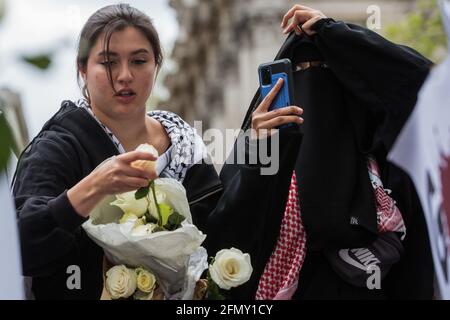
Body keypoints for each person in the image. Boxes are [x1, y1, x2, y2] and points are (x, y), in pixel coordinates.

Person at [12, 4, 302, 300]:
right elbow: (18, 246)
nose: (124, 76)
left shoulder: (184, 144)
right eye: (109, 63)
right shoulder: (57, 146)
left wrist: (254, 146)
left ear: (156, 66)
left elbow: (220, 238)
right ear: (82, 69)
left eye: (139, 61)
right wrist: (95, 186)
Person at [207, 4, 435, 300]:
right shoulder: (268, 160)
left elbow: (424, 83)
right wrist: (258, 149)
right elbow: (226, 234)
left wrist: (335, 33)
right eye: (299, 73)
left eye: (324, 71)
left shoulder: (383, 162)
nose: (313, 81)